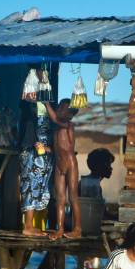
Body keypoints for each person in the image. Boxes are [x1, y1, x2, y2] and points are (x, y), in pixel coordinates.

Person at [45, 100, 81, 240]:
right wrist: (45, 149)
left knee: (73, 197)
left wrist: (46, 104)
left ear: (70, 114)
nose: (59, 110)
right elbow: (56, 148)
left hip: (70, 164)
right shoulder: (56, 129)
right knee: (60, 199)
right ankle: (59, 229)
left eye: (62, 108)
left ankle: (77, 229)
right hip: (59, 165)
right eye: (58, 107)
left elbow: (53, 118)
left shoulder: (68, 125)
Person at [19, 99, 54, 236]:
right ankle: (28, 226)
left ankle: (30, 226)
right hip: (33, 157)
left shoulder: (37, 121)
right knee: (31, 188)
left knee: (34, 189)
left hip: (39, 157)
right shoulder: (32, 121)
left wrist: (47, 149)